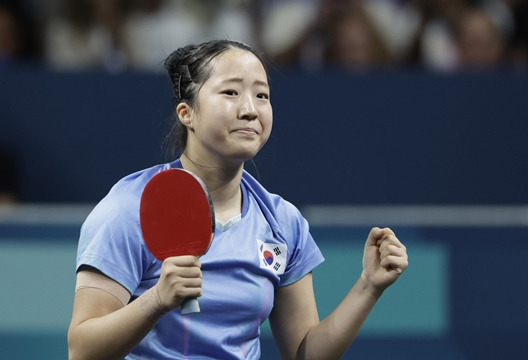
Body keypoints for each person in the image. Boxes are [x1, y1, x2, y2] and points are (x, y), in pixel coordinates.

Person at [67, 39, 408, 359]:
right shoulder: (129, 208)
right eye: (230, 92)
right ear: (187, 113)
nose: (250, 109)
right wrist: (157, 300)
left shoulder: (282, 222)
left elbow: (304, 351)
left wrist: (368, 287)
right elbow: (81, 349)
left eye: (262, 95)